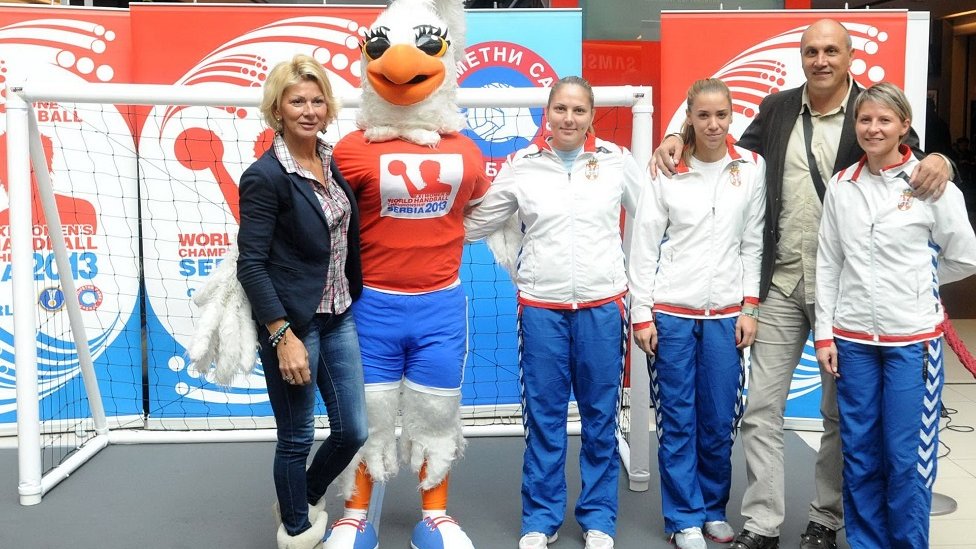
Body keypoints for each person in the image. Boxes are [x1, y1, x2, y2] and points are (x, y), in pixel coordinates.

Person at [652, 18, 953, 549]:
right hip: (781, 283)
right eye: (812, 51)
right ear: (801, 57)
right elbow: (724, 149)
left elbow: (919, 163)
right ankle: (763, 521)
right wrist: (678, 133)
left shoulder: (871, 111)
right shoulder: (777, 108)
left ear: (850, 55)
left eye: (831, 50)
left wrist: (944, 161)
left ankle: (825, 518)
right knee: (761, 409)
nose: (821, 60)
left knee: (839, 416)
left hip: (847, 292)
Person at [325, 2, 488, 548]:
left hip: (440, 307)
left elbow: (485, 212)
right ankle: (355, 514)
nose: (397, 63)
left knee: (436, 411)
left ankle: (434, 515)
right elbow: (318, 217)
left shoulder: (467, 152)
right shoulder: (349, 151)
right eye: (379, 48)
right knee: (366, 413)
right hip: (371, 306)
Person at [465, 75, 645, 549]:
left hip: (603, 308)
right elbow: (477, 222)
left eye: (579, 110)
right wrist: (420, 218)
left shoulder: (617, 161)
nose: (569, 118)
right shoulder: (521, 166)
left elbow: (652, 218)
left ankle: (598, 518)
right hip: (540, 309)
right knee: (544, 419)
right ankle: (540, 519)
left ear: (591, 116)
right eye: (560, 109)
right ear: (547, 114)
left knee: (601, 419)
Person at [815, 82, 976, 549]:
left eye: (884, 120)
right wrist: (824, 335)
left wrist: (916, 283)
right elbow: (829, 262)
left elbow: (964, 257)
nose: (873, 128)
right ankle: (867, 543)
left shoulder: (931, 184)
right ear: (855, 125)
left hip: (912, 342)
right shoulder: (842, 186)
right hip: (853, 341)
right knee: (860, 454)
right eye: (865, 119)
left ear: (904, 125)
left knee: (906, 459)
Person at [236, 53, 368, 549]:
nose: (309, 110)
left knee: (353, 431)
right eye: (297, 102)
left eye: (317, 100)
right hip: (293, 324)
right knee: (296, 437)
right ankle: (296, 531)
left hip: (339, 316)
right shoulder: (265, 176)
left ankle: (301, 497)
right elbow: (251, 264)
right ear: (278, 109)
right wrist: (281, 335)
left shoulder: (331, 163)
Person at [630, 78, 765, 549]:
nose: (712, 124)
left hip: (727, 315)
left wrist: (750, 306)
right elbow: (644, 244)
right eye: (703, 115)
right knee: (678, 420)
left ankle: (712, 509)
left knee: (718, 420)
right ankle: (682, 517)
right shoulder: (667, 169)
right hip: (671, 313)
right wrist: (642, 312)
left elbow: (753, 242)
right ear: (688, 117)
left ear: (732, 116)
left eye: (721, 115)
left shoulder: (751, 167)